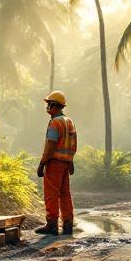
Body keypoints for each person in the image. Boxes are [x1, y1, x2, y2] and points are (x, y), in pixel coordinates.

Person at [35, 90, 77, 235]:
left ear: (54, 105)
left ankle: (52, 224)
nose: (47, 106)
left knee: (51, 193)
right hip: (65, 163)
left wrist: (42, 163)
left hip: (54, 163)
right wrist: (71, 161)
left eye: (49, 104)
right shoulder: (69, 122)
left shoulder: (55, 123)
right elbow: (73, 143)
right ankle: (68, 224)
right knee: (65, 194)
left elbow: (51, 144)